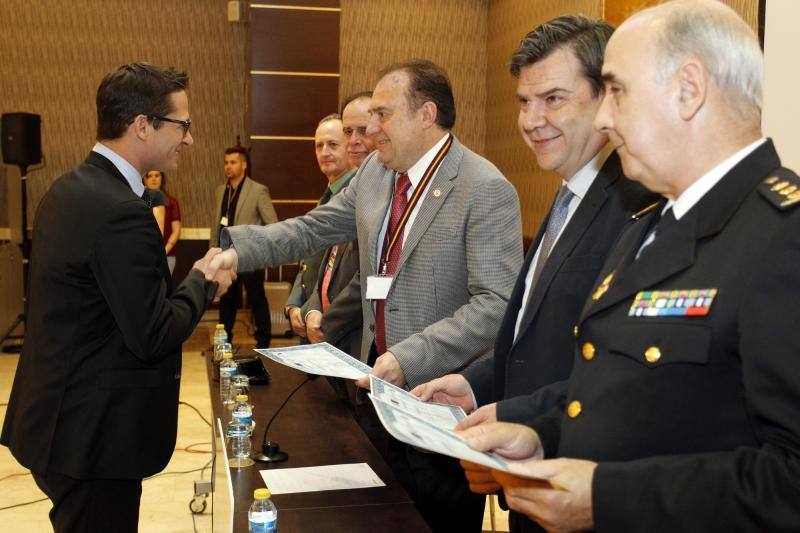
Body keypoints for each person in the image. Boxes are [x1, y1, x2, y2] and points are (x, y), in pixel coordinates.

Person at [459, 1, 800, 531]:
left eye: (616, 90)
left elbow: (790, 478)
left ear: (688, 89)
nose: (602, 117)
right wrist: (542, 434)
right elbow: (623, 390)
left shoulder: (784, 237)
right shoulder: (649, 225)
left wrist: (608, 496)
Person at [208, 59, 523, 532]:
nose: (371, 129)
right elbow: (315, 228)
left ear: (426, 114)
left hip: (436, 405)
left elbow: (497, 304)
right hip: (374, 394)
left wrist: (408, 356)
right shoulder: (376, 176)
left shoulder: (484, 188)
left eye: (383, 114)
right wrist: (238, 249)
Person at [410, 15, 654, 532]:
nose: (531, 119)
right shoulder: (568, 194)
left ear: (605, 99)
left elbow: (614, 368)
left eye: (554, 99)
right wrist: (475, 384)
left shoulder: (634, 207)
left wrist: (526, 420)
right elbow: (536, 336)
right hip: (532, 481)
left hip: (580, 486)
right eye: (525, 101)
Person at [0, 62, 232, 533]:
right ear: (142, 125)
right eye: (181, 125)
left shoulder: (67, 190)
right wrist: (202, 280)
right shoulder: (120, 212)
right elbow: (153, 333)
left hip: (57, 422)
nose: (188, 139)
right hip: (93, 440)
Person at [305, 92, 375, 356]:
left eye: (363, 130)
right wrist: (311, 307)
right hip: (332, 337)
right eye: (348, 132)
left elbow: (370, 276)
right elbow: (323, 263)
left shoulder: (380, 189)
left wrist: (327, 323)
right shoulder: (345, 193)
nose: (354, 141)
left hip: (356, 338)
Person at [286, 112, 356, 344]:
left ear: (351, 147)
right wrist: (294, 304)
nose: (324, 152)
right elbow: (310, 259)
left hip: (337, 326)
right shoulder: (328, 195)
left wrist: (309, 310)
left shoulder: (354, 198)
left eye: (333, 144)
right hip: (311, 319)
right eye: (319, 146)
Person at [210, 145, 277, 347]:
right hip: (225, 255)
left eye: (233, 162)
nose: (228, 167)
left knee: (256, 299)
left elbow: (272, 224)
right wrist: (213, 250)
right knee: (227, 300)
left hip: (249, 256)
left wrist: (256, 246)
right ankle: (225, 342)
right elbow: (216, 223)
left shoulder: (258, 190)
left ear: (244, 165)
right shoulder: (221, 190)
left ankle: (264, 342)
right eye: (226, 163)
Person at [144, 170, 182, 273]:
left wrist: (163, 252)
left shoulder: (172, 202)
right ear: (144, 180)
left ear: (162, 178)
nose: (153, 178)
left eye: (157, 175)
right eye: (149, 176)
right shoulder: (138, 202)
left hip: (167, 256)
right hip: (144, 257)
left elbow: (176, 231)